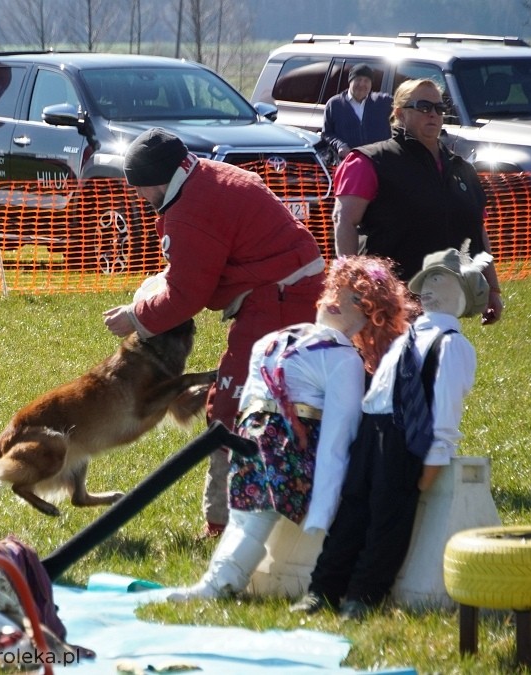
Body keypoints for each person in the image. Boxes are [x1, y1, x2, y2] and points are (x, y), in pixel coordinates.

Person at [103, 127, 326, 538]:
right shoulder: (208, 175)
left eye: (139, 188)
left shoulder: (193, 208)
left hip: (277, 299)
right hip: (287, 290)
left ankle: (224, 522)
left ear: (156, 180)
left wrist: (136, 318)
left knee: (233, 405)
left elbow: (188, 294)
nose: (139, 197)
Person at [167, 256, 413, 601]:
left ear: (371, 319)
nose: (341, 302)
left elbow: (337, 438)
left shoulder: (345, 361)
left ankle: (217, 586)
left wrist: (324, 508)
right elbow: (251, 395)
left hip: (290, 449)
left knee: (255, 520)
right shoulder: (276, 339)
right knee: (241, 514)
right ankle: (215, 582)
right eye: (341, 290)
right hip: (253, 440)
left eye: (358, 301)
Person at [291, 245, 488, 620]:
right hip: (372, 429)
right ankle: (324, 588)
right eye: (427, 278)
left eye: (440, 278)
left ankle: (364, 595)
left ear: (464, 294)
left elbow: (446, 404)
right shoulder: (408, 337)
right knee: (352, 507)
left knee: (388, 516)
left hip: (404, 435)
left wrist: (435, 455)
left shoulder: (452, 345)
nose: (428, 286)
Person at [332, 77, 504, 324]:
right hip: (386, 303)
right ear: (400, 113)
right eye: (423, 107)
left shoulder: (460, 168)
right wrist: (349, 285)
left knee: (438, 362)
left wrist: (493, 289)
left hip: (444, 301)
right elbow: (344, 221)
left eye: (439, 108)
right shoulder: (369, 161)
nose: (433, 114)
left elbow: (478, 230)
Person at [321, 64, 393, 162]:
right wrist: (340, 145)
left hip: (379, 163)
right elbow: (327, 133)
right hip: (349, 163)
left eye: (366, 81)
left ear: (371, 84)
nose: (362, 84)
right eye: (358, 79)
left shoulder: (384, 102)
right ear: (350, 81)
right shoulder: (334, 104)